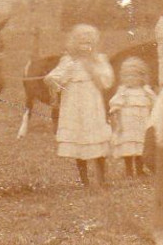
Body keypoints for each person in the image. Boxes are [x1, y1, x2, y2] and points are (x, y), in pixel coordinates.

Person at [44, 24, 114, 186]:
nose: (85, 45)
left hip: (92, 104)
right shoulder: (68, 61)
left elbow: (106, 81)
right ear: (75, 43)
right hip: (73, 106)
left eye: (88, 41)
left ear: (94, 43)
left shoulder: (99, 60)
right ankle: (84, 180)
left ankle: (101, 178)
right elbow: (55, 78)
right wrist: (54, 79)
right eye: (81, 40)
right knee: (79, 138)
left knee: (96, 137)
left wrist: (91, 68)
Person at [108, 57, 156, 178]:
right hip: (128, 123)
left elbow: (155, 102)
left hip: (142, 122)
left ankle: (139, 169)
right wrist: (115, 111)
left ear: (142, 77)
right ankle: (129, 170)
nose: (130, 79)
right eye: (127, 76)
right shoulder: (123, 91)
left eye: (134, 76)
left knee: (140, 145)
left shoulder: (146, 91)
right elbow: (115, 102)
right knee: (128, 146)